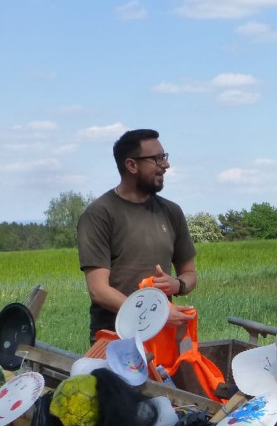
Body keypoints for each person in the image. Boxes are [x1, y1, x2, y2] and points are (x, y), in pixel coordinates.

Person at [77, 128, 197, 343]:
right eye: (157, 159)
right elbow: (99, 290)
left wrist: (177, 285)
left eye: (165, 157)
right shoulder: (99, 214)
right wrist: (154, 314)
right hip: (114, 342)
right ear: (131, 165)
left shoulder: (171, 212)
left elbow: (189, 274)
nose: (165, 165)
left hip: (162, 340)